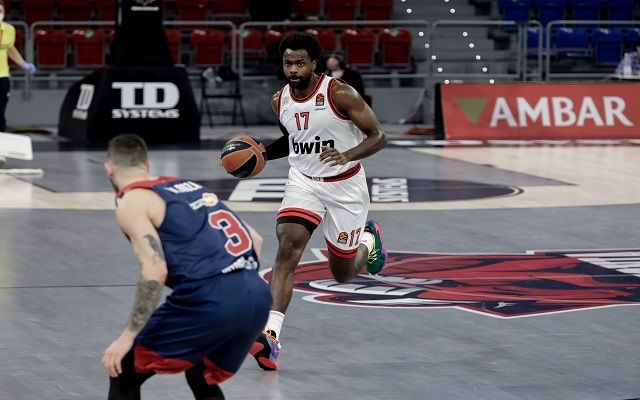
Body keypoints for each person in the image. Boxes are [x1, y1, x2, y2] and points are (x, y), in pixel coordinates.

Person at [248, 32, 388, 371]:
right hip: (304, 182)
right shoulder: (280, 100)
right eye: (287, 63)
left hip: (345, 186)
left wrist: (347, 155)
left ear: (314, 63)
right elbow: (293, 139)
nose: (293, 69)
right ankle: (271, 335)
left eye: (300, 63)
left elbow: (378, 136)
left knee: (341, 274)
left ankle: (367, 241)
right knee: (287, 247)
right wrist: (259, 153)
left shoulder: (340, 93)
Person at [102, 134, 272, 400]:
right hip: (257, 295)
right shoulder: (188, 186)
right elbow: (256, 239)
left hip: (210, 299)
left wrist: (127, 337)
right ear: (147, 166)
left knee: (122, 367)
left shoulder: (132, 201)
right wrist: (236, 291)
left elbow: (154, 271)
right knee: (199, 370)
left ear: (109, 170)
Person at [0, 0, 36, 133]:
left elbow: (10, 48)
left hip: (2, 76)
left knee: (0, 111)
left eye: (0, 11)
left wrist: (23, 63)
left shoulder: (9, 29)